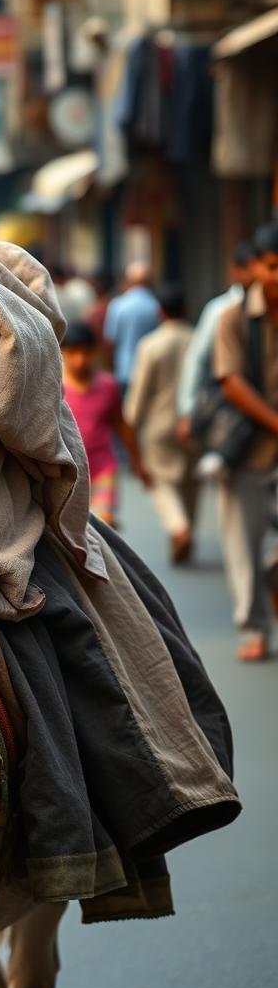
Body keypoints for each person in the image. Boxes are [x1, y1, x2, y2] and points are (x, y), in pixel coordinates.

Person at [213, 221, 278, 662]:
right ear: (255, 267)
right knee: (243, 547)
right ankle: (253, 628)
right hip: (246, 450)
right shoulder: (233, 318)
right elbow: (231, 382)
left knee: (269, 558)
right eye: (273, 266)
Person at [124, 286, 198, 562]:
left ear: (160, 312)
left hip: (158, 424)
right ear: (186, 309)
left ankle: (179, 528)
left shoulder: (151, 345)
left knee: (159, 481)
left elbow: (138, 394)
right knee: (190, 482)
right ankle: (185, 527)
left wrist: (131, 428)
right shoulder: (198, 339)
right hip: (193, 424)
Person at [61, 322, 147, 526]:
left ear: (94, 352)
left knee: (102, 523)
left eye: (85, 352)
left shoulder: (108, 386)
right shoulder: (56, 387)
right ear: (63, 352)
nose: (80, 360)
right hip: (67, 471)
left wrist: (137, 461)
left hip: (102, 467)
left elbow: (121, 425)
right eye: (73, 352)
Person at [175, 241, 257, 443]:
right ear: (237, 271)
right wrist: (187, 409)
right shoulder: (220, 310)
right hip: (225, 409)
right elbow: (197, 358)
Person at [104, 261, 160, 398]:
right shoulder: (156, 306)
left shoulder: (118, 305)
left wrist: (113, 367)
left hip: (124, 370)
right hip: (151, 372)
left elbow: (110, 341)